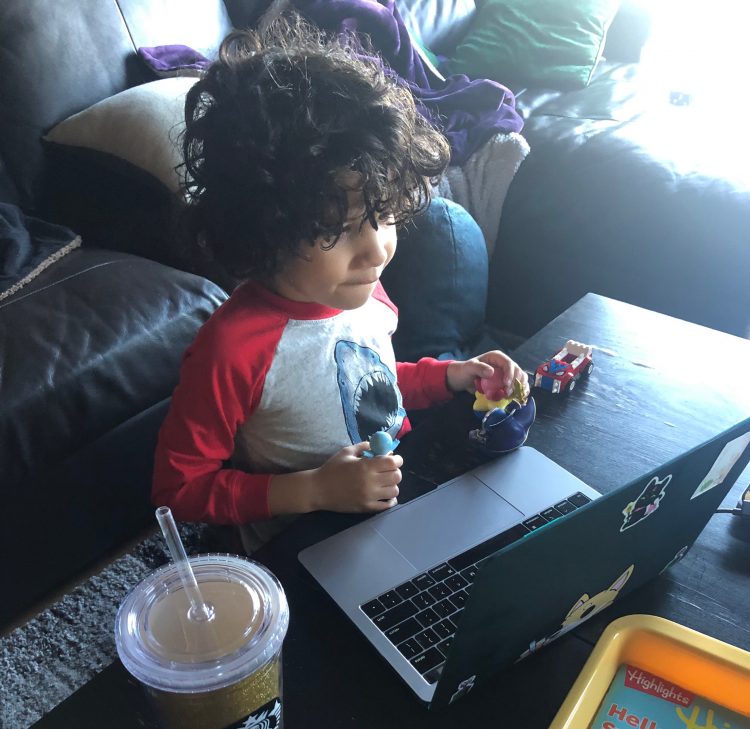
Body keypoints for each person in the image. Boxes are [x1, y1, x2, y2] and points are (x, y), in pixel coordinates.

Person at [152, 17, 529, 552]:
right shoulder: (232, 350)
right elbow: (179, 489)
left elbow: (370, 386)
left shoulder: (363, 290)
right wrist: (313, 489)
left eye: (384, 214)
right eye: (338, 229)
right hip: (301, 545)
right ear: (264, 230)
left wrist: (450, 375)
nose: (377, 249)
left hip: (393, 499)